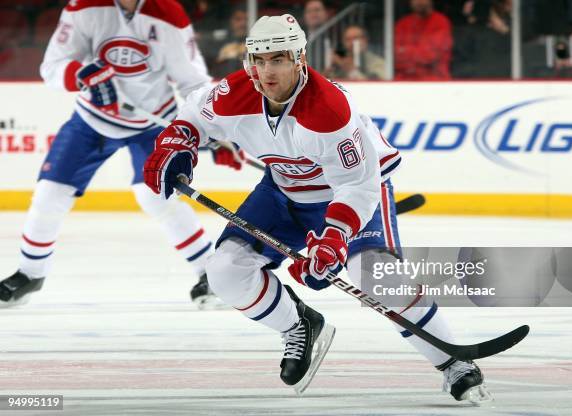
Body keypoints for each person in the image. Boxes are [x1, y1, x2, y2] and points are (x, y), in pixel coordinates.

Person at [143, 13, 491, 402]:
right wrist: (177, 144)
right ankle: (299, 326)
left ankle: (454, 362)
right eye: (258, 60)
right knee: (224, 271)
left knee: (378, 276)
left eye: (277, 59)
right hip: (282, 192)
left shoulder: (328, 109)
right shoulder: (236, 92)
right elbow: (194, 115)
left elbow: (357, 185)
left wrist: (334, 240)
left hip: (352, 193)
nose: (265, 71)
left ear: (299, 58)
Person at [0, 0, 241, 309]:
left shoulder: (168, 14)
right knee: (49, 194)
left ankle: (211, 273)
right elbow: (52, 67)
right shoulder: (83, 7)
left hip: (151, 120)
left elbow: (192, 82)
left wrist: (214, 131)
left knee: (156, 197)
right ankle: (30, 274)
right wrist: (81, 73)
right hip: (91, 119)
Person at [394, 0, 453, 80]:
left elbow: (429, 56)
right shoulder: (402, 24)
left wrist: (405, 51)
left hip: (434, 81)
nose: (419, 1)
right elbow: (395, 57)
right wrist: (417, 53)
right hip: (404, 81)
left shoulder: (441, 22)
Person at [302, 0, 330, 72]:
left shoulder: (336, 36)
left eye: (317, 10)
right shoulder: (298, 37)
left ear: (325, 14)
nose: (313, 14)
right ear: (305, 16)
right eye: (309, 11)